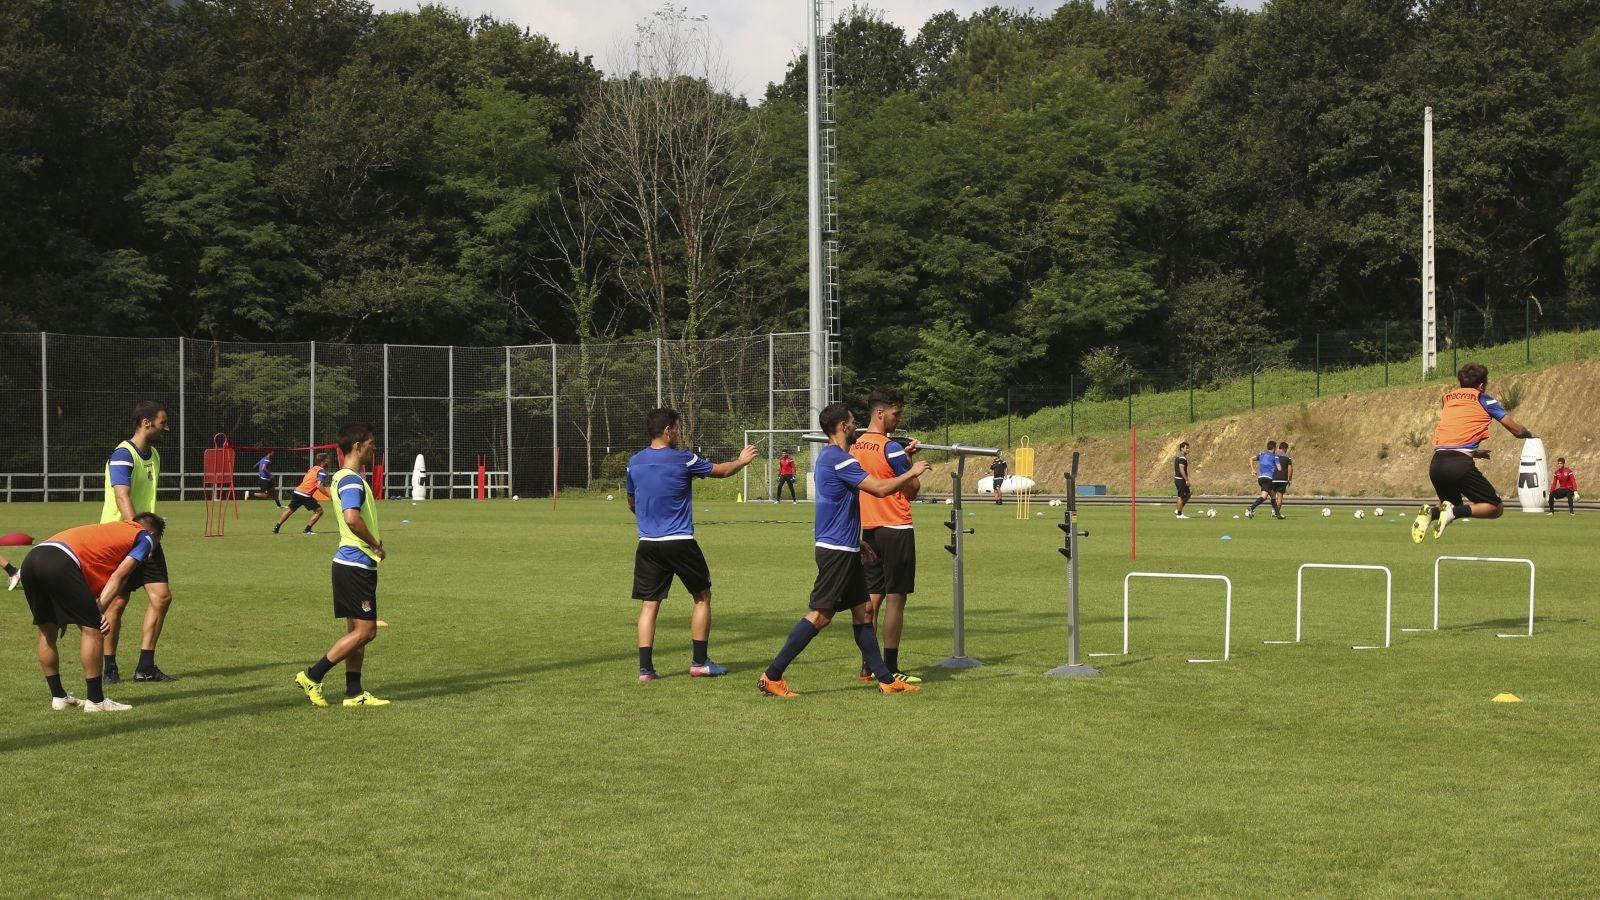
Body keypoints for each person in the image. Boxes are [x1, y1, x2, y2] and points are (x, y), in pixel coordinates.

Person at [757, 402, 930, 698]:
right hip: (836, 551)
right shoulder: (840, 459)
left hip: (843, 547)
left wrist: (856, 541)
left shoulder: (832, 458)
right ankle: (773, 675)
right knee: (820, 615)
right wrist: (911, 469)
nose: (855, 425)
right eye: (852, 421)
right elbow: (879, 488)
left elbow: (836, 506)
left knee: (863, 612)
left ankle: (886, 680)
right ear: (842, 426)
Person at [625, 408, 757, 681]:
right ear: (668, 430)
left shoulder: (634, 462)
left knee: (650, 605)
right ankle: (699, 662)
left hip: (648, 543)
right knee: (702, 596)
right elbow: (720, 472)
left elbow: (631, 502)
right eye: (677, 428)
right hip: (680, 542)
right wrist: (742, 461)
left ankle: (646, 670)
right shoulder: (683, 459)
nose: (679, 432)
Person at [21, 513, 165, 713]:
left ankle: (59, 697)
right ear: (153, 533)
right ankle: (96, 701)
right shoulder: (145, 537)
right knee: (93, 630)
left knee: (47, 630)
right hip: (62, 561)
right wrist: (98, 612)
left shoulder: (111, 531)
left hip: (31, 560)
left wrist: (87, 611)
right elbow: (119, 576)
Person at [294, 423, 390, 708]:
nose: (374, 449)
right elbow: (351, 518)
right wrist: (375, 544)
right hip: (356, 564)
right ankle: (312, 675)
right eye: (371, 444)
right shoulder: (350, 479)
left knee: (355, 633)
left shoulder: (342, 477)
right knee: (366, 632)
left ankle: (354, 693)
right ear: (358, 446)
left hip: (351, 564)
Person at [99, 399, 177, 684]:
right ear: (147, 423)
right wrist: (137, 534)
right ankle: (109, 669)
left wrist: (147, 537)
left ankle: (145, 667)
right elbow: (122, 496)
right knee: (117, 603)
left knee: (162, 597)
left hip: (147, 538)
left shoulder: (153, 455)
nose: (166, 428)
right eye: (162, 422)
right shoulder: (123, 454)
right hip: (119, 539)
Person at [1412, 363, 1536, 542]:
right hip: (1459, 465)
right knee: (1495, 508)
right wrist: (1529, 434)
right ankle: (1452, 513)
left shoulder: (1447, 399)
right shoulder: (1485, 400)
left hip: (1437, 463)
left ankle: (1431, 513)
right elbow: (1516, 430)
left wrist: (1474, 452)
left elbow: (1456, 432)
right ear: (1481, 386)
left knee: (1450, 504)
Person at [852, 388, 922, 683]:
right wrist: (908, 465)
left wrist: (901, 459)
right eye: (895, 413)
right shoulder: (890, 447)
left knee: (871, 599)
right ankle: (891, 667)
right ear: (880, 413)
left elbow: (874, 475)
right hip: (896, 526)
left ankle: (869, 665)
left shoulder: (855, 446)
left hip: (868, 529)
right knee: (896, 599)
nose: (898, 418)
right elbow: (912, 489)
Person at [273, 452, 332, 534]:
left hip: (297, 492)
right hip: (305, 495)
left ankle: (276, 528)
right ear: (323, 461)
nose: (328, 461)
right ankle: (307, 530)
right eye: (327, 460)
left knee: (290, 510)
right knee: (319, 511)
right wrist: (329, 496)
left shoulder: (313, 468)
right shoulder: (321, 471)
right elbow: (319, 485)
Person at [1245, 441, 1283, 520]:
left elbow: (1251, 458)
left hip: (1260, 478)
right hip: (1268, 479)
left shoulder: (1261, 454)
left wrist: (1253, 470)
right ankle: (1251, 508)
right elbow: (1279, 468)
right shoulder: (1275, 457)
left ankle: (1278, 514)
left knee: (1272, 495)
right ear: (1274, 448)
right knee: (1264, 496)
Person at [1173, 442, 1193, 519]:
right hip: (1181, 480)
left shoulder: (1178, 456)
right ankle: (1179, 514)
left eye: (1188, 448)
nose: (1188, 449)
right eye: (1186, 448)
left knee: (1185, 494)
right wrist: (1187, 480)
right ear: (1182, 449)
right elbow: (1181, 470)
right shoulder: (1182, 458)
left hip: (1178, 479)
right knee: (1182, 496)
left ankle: (1178, 510)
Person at [1273, 441, 1294, 512]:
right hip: (1283, 479)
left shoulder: (1274, 455)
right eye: (1286, 449)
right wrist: (1290, 479)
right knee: (1280, 496)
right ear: (1285, 448)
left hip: (1273, 478)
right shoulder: (1288, 457)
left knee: (1272, 495)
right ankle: (1276, 512)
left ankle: (1273, 510)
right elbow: (1290, 469)